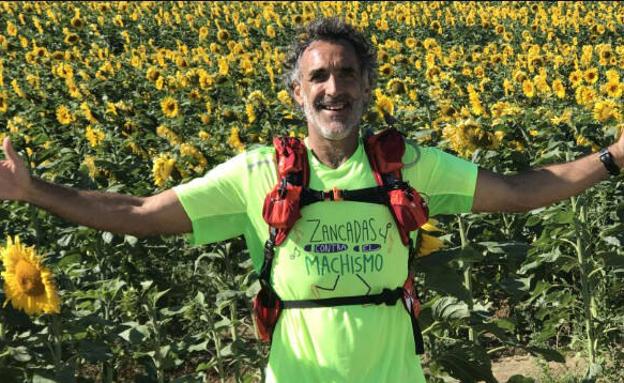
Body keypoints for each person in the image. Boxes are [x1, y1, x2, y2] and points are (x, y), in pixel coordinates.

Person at [0, 17, 622, 383]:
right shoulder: (257, 174)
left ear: (367, 86)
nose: (334, 88)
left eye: (347, 74)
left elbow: (518, 191)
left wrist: (612, 158)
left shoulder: (405, 166)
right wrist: (32, 189)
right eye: (318, 77)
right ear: (296, 93)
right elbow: (137, 213)